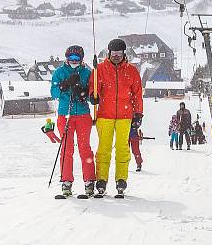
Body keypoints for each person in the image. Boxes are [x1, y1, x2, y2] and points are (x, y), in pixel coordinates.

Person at [88, 38, 143, 197]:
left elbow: (137, 94)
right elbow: (93, 86)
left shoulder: (132, 71)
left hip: (125, 116)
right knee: (103, 149)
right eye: (114, 53)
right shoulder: (100, 69)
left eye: (119, 53)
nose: (116, 56)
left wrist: (138, 113)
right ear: (109, 53)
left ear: (124, 53)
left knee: (122, 149)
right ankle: (101, 180)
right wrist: (93, 96)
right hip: (105, 115)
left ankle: (121, 179)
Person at [50, 45, 96, 197]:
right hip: (65, 114)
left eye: (77, 59)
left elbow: (92, 93)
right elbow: (54, 92)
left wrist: (83, 93)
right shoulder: (59, 72)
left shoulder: (87, 72)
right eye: (71, 58)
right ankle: (66, 182)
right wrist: (64, 86)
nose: (74, 61)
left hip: (83, 114)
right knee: (66, 149)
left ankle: (89, 181)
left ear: (82, 59)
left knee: (84, 148)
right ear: (66, 58)